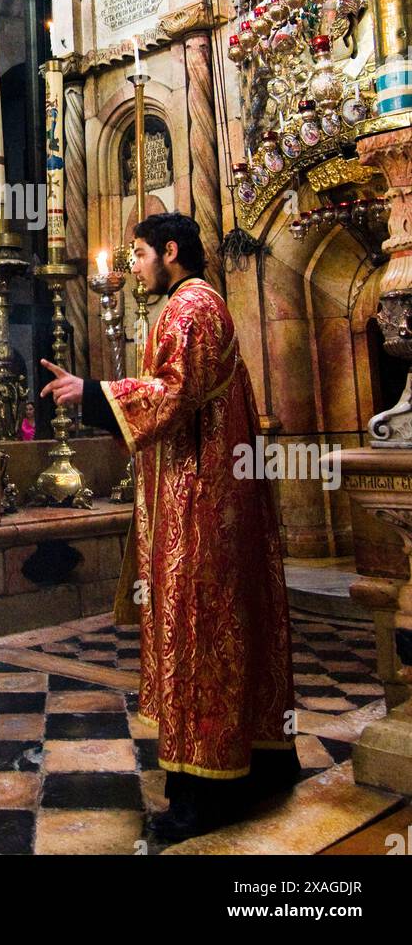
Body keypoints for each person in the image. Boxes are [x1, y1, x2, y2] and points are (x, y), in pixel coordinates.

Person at [41, 212, 296, 841]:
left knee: (200, 636)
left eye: (138, 253)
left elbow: (174, 394)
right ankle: (257, 764)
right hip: (209, 499)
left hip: (202, 508)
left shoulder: (191, 308)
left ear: (170, 251)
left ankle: (205, 797)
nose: (131, 266)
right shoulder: (196, 304)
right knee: (228, 631)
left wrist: (94, 392)